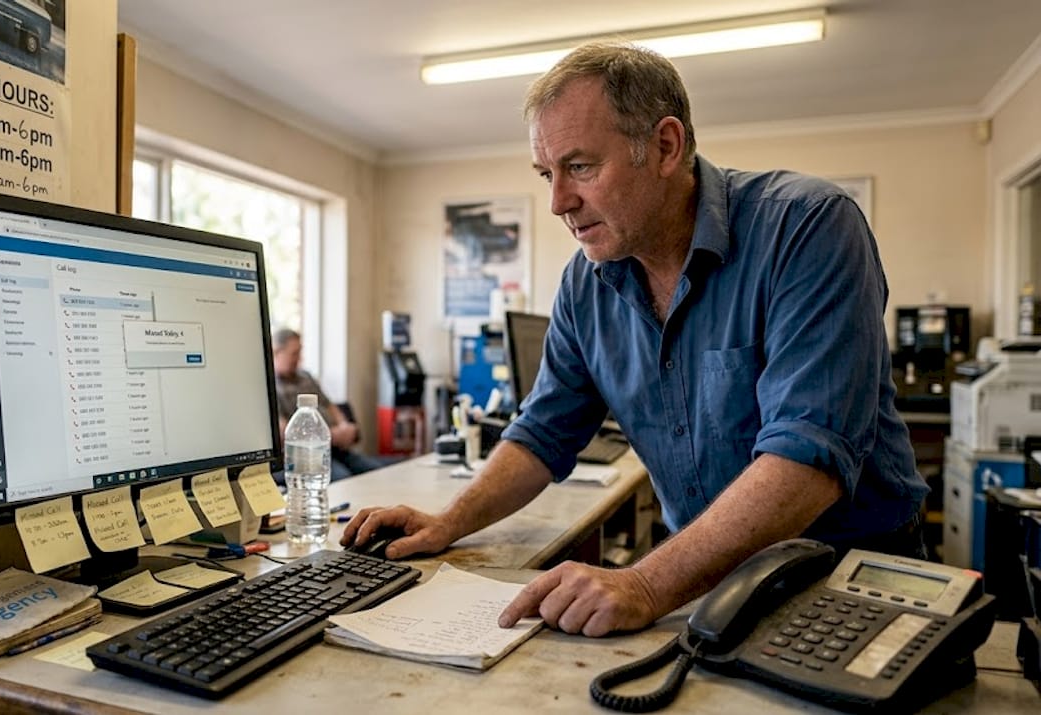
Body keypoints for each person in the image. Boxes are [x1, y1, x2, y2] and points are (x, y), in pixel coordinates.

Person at [342, 42, 929, 638]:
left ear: (665, 147)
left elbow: (807, 459)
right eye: (547, 174)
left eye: (580, 167)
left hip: (849, 577)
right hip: (708, 576)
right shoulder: (586, 281)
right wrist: (448, 521)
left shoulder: (807, 226)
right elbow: (544, 432)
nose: (557, 202)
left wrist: (645, 583)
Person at [271, 327, 391, 482]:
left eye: (300, 352)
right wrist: (331, 436)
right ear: (277, 352)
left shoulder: (305, 376)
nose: (299, 358)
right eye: (294, 353)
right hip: (307, 456)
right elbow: (285, 431)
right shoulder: (270, 387)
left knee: (378, 472)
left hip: (335, 447)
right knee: (344, 480)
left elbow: (329, 405)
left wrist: (344, 425)